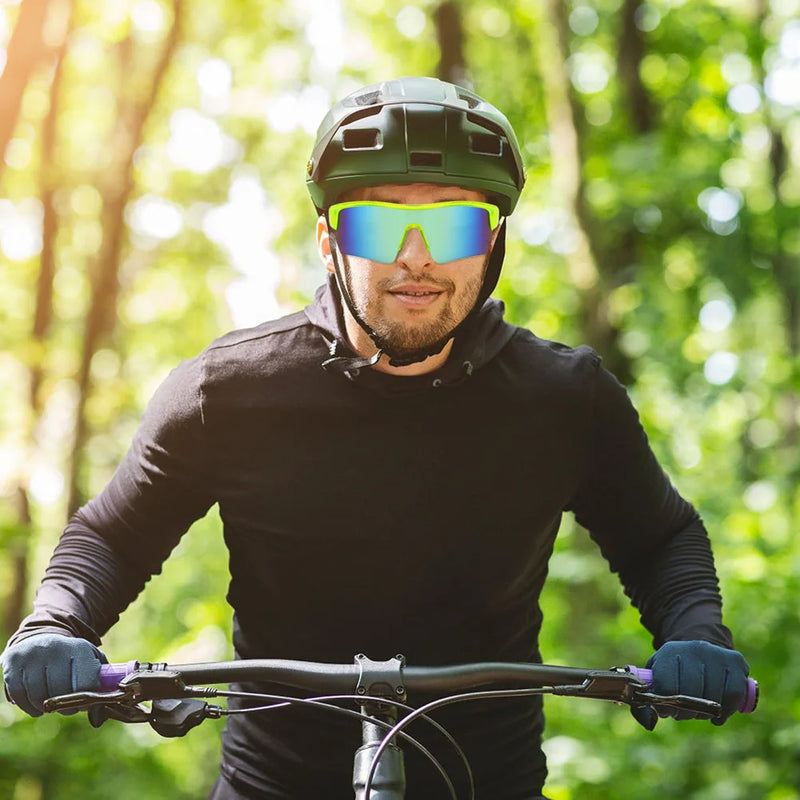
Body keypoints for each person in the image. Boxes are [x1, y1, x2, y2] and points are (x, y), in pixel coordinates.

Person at [2, 77, 749, 799]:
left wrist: (696, 633)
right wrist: (56, 623)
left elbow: (660, 539)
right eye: (381, 223)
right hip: (273, 788)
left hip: (490, 785)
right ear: (329, 241)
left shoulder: (565, 398)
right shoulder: (227, 391)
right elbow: (112, 538)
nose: (415, 256)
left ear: (491, 244)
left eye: (454, 223)